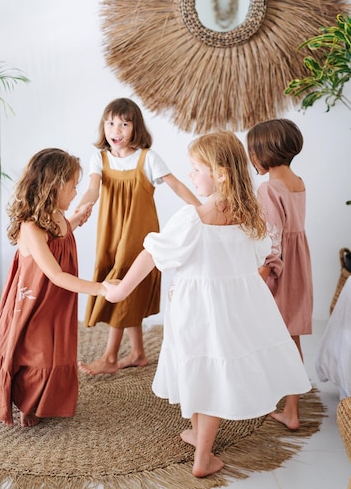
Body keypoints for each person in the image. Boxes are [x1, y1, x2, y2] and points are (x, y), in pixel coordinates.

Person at [103, 131, 311, 478]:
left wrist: (121, 290)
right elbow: (260, 258)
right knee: (211, 367)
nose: (190, 176)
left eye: (196, 169)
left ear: (220, 174)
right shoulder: (252, 217)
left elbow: (152, 253)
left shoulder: (194, 218)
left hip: (195, 309)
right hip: (235, 308)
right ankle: (199, 436)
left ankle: (204, 456)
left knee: (202, 369)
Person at [0, 148, 107, 428]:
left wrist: (77, 218)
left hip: (55, 302)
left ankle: (41, 400)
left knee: (54, 350)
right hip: (34, 302)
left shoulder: (57, 215)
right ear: (55, 187)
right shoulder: (30, 228)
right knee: (34, 351)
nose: (75, 192)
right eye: (72, 187)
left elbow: (61, 238)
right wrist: (101, 288)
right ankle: (25, 404)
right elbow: (55, 274)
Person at [75, 97, 200, 376]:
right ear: (103, 126)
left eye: (123, 123)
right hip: (110, 233)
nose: (115, 130)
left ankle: (109, 357)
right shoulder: (101, 158)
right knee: (124, 284)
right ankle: (138, 353)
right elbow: (93, 188)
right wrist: (85, 205)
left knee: (122, 281)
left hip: (138, 234)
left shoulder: (148, 158)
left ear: (135, 128)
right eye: (110, 123)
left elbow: (176, 185)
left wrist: (201, 210)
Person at [246, 118, 313, 430]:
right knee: (292, 336)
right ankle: (291, 409)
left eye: (252, 152)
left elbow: (272, 237)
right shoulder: (297, 181)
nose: (251, 159)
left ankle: (260, 395)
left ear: (266, 153)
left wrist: (262, 273)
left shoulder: (268, 188)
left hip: (280, 268)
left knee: (266, 333)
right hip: (300, 265)